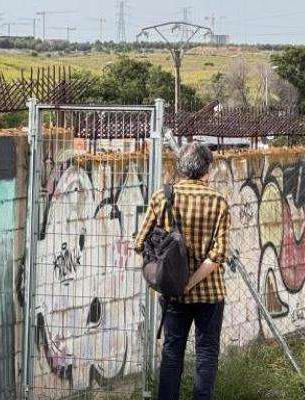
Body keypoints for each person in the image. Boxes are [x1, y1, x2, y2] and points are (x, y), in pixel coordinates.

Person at [134, 143, 230, 400]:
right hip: (210, 294)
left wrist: (170, 279)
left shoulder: (161, 198)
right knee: (207, 353)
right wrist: (192, 281)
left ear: (181, 167)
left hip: (172, 293)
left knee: (172, 352)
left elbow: (139, 244)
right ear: (206, 170)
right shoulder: (219, 202)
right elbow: (218, 255)